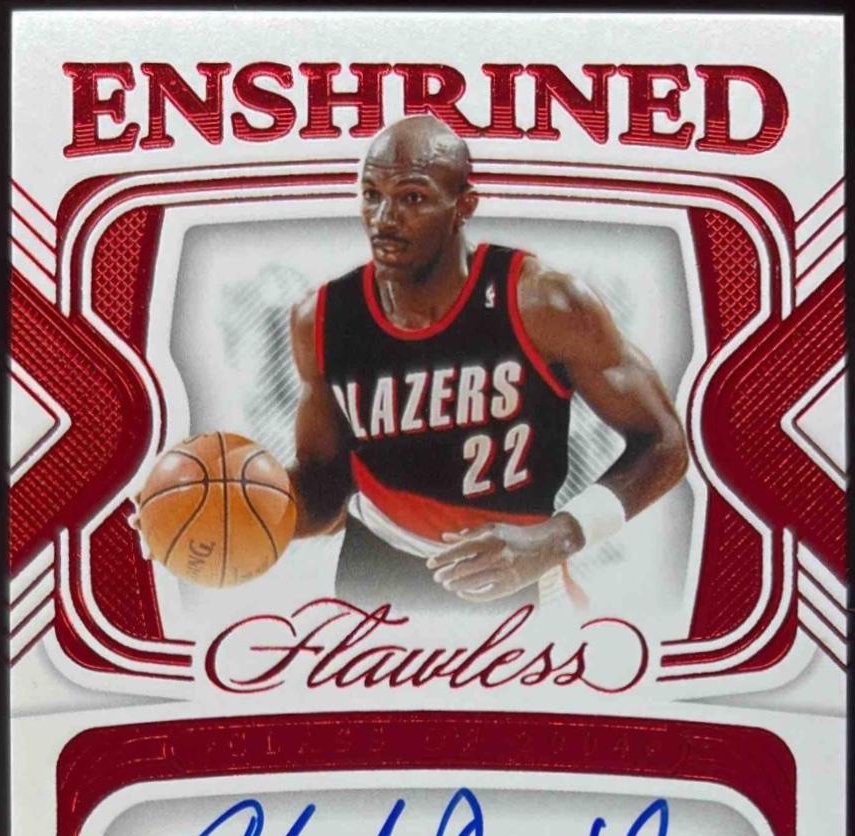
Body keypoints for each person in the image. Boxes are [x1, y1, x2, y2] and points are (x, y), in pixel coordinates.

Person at [287, 115, 687, 615]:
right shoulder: (323, 318)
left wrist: (560, 536)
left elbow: (664, 443)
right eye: (372, 194)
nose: (384, 218)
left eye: (412, 197)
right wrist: (248, 510)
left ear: (464, 206)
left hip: (516, 569)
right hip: (375, 565)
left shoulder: (542, 302)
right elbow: (324, 483)